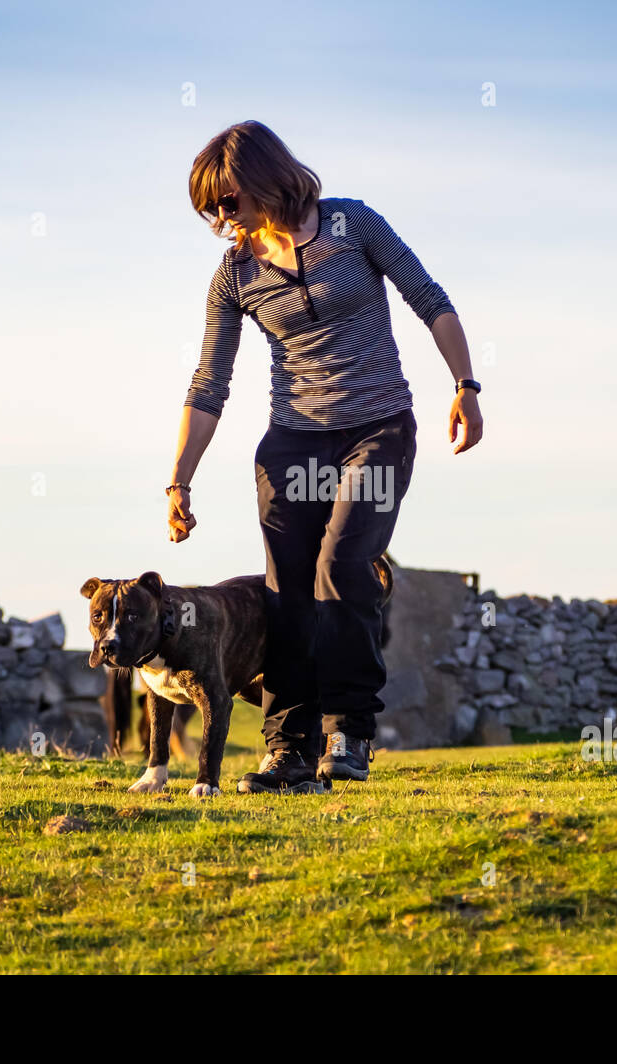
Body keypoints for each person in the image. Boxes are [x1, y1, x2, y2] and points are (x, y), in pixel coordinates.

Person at [165, 120, 483, 794]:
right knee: (286, 597)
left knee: (341, 566)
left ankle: (351, 733)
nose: (221, 218)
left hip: (377, 430)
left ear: (264, 180)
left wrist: (464, 385)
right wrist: (179, 481)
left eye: (228, 201)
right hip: (291, 444)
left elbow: (431, 301)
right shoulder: (235, 276)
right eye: (210, 209)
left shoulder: (353, 225)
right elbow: (208, 385)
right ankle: (288, 751)